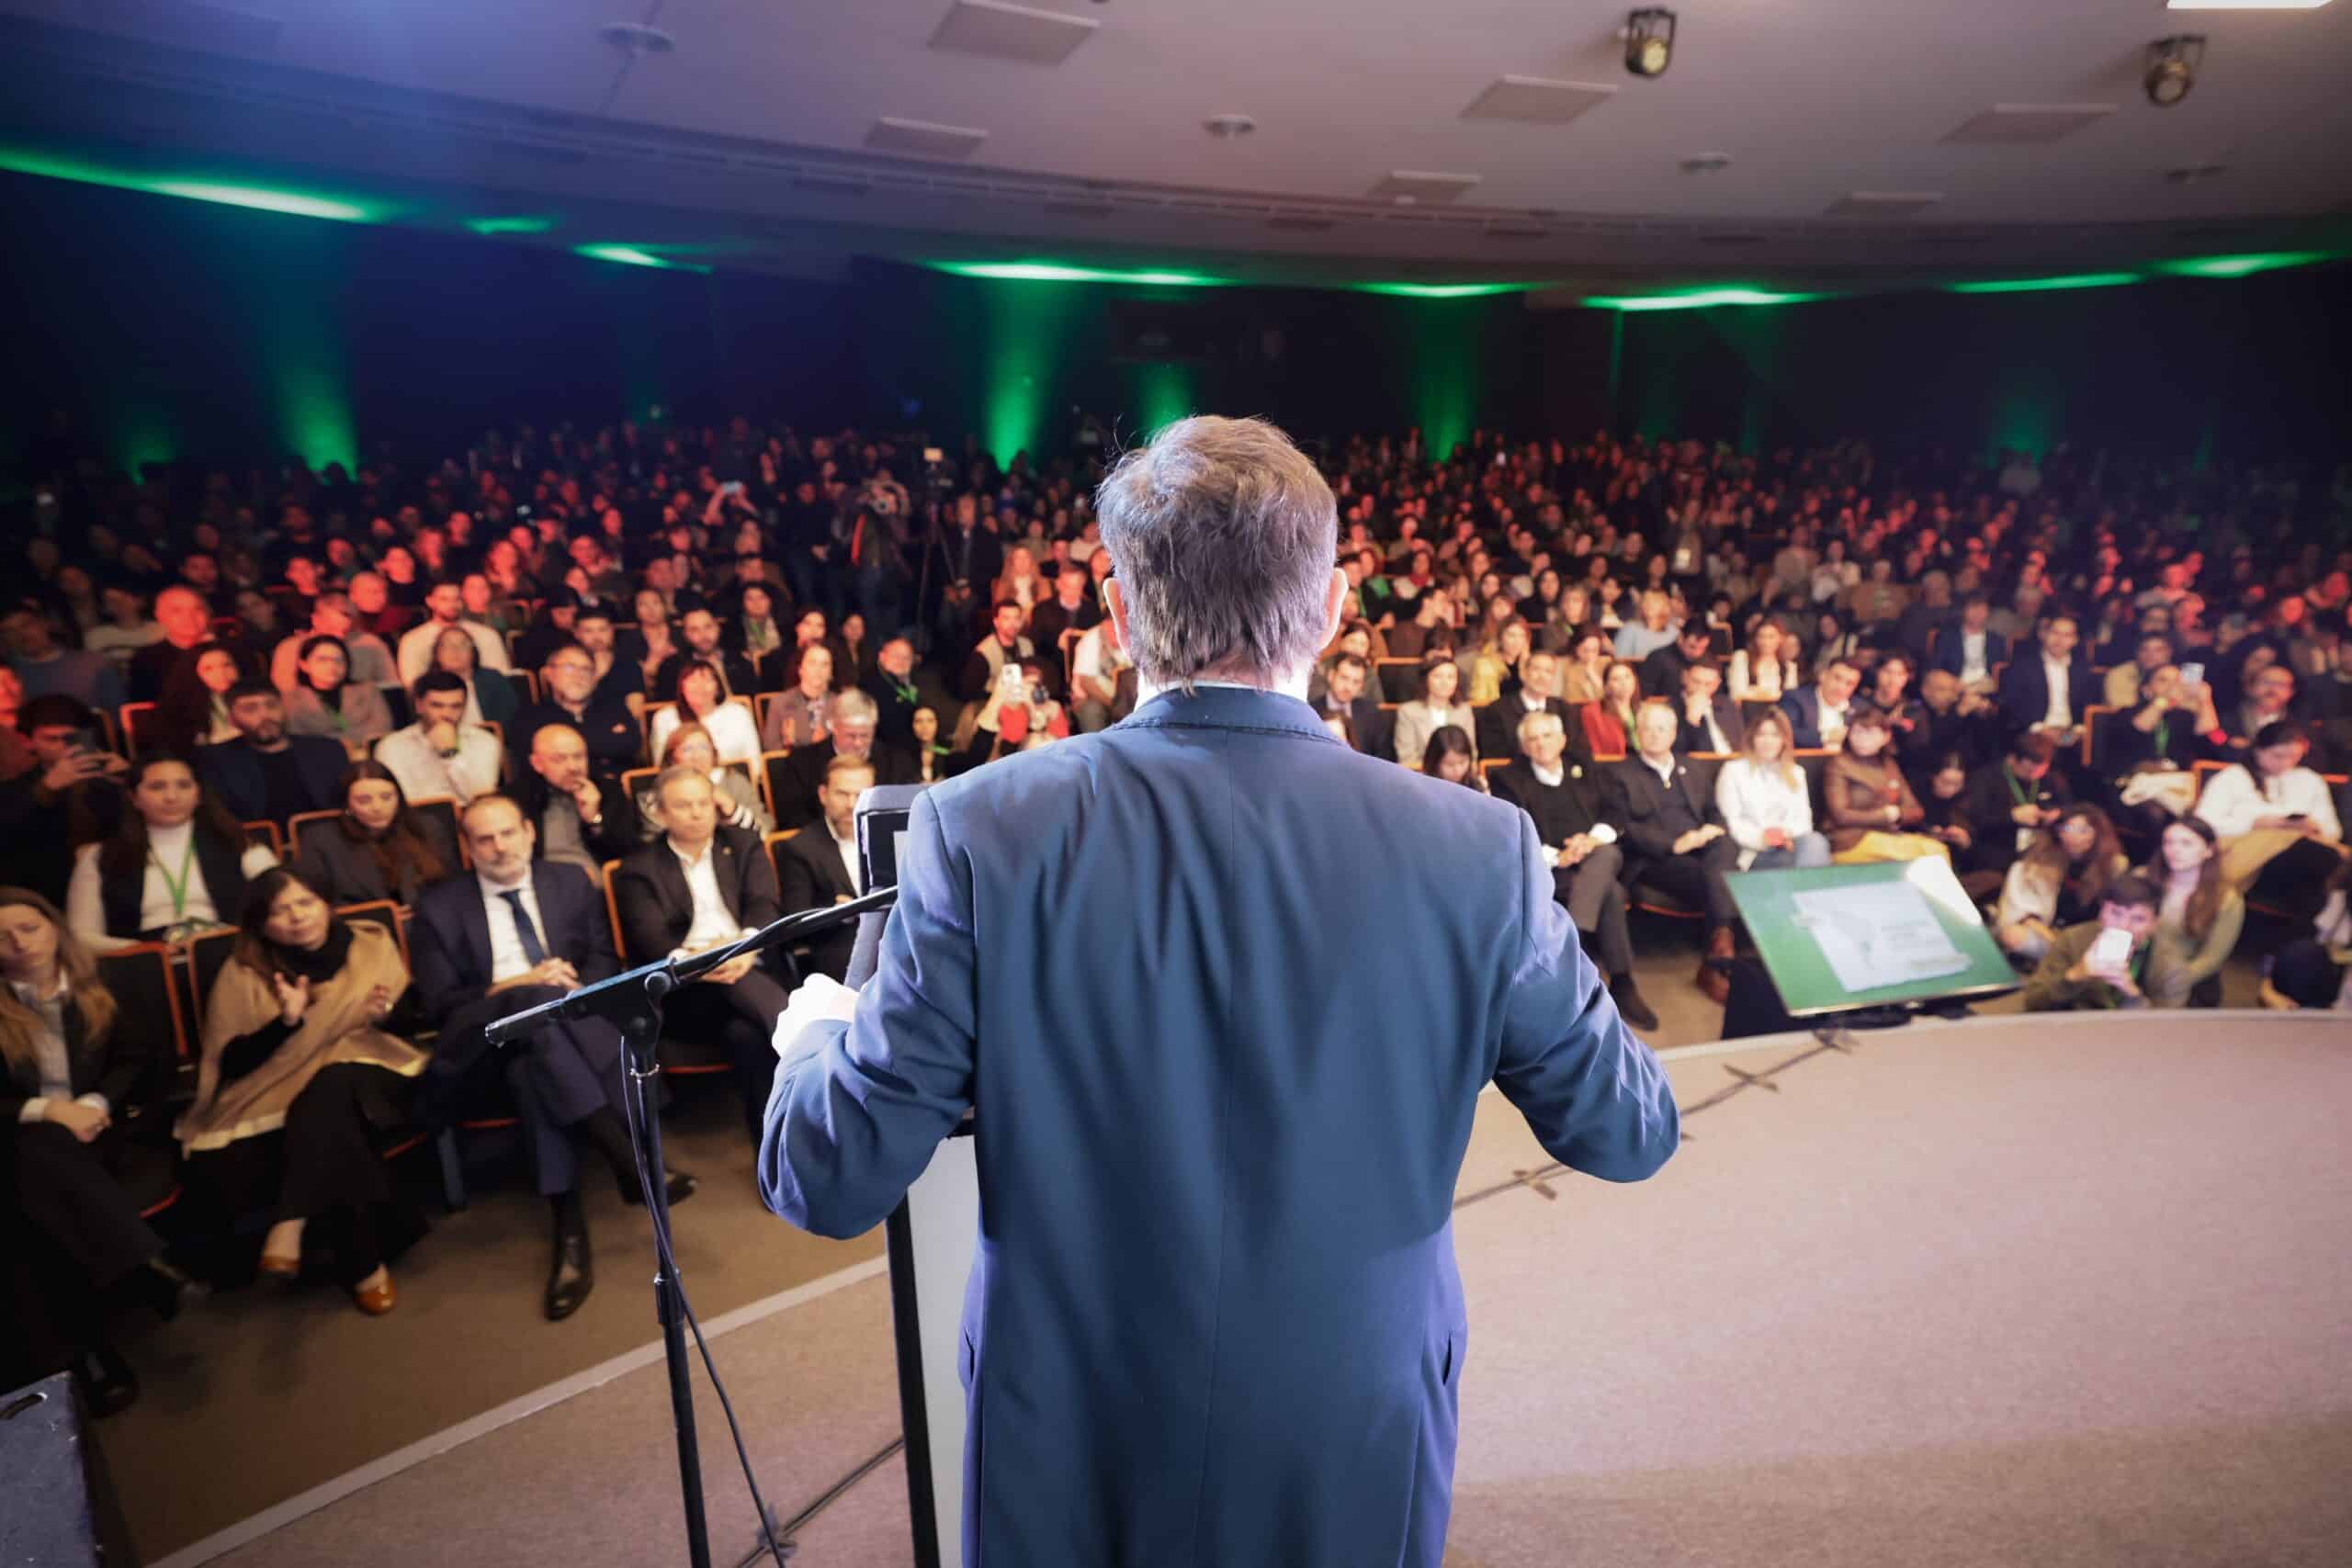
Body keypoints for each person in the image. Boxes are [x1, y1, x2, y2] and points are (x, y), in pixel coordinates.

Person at [759, 415, 1675, 1566]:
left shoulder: (980, 827)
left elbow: (830, 1175)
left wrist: (816, 1035)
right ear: (1336, 607)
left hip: (1075, 1421)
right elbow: (1630, 1132)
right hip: (1351, 1410)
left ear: (1121, 612)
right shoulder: (1476, 850)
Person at [410, 795, 695, 1322]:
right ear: (467, 848)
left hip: (563, 1031)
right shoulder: (438, 906)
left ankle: (571, 1230)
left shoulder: (567, 881)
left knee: (534, 1070)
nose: (499, 847)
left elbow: (604, 960)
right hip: (487, 1040)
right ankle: (630, 1155)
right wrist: (522, 984)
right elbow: (442, 1002)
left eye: (507, 834)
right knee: (531, 1010)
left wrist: (573, 987)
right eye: (484, 839)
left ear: (529, 832)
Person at [179, 870, 424, 1313]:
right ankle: (365, 1263)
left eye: (305, 903)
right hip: (293, 1085)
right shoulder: (244, 972)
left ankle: (290, 1220)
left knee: (334, 1084)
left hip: (375, 1064)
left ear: (325, 903)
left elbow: (412, 1022)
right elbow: (231, 1063)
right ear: (261, 924)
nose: (297, 917)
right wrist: (287, 1022)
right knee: (331, 1106)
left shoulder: (370, 944)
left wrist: (383, 1013)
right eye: (280, 911)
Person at [1, 888, 193, 1416]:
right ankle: (141, 1266)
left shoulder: (110, 982)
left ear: (55, 928)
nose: (18, 944)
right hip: (19, 1144)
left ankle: (82, 1356)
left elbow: (136, 1061)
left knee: (32, 1207)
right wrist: (46, 1111)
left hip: (100, 1136)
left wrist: (94, 1102)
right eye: (2, 937)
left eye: (29, 928)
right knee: (32, 1170)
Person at [614, 768, 788, 1145]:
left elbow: (764, 902)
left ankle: (771, 1152)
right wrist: (703, 962)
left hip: (748, 967)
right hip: (689, 990)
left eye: (703, 803)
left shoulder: (742, 843)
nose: (696, 813)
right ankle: (798, 1043)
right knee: (755, 1008)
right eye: (683, 805)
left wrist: (745, 946)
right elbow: (652, 939)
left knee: (746, 1037)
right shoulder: (638, 869)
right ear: (659, 813)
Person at [1490, 710, 1656, 1029]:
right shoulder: (1507, 779)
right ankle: (1622, 982)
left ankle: (1575, 944)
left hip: (1597, 855)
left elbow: (1615, 812)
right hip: (1552, 868)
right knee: (1611, 893)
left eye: (1547, 736)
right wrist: (1558, 856)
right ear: (1524, 747)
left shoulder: (1587, 767)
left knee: (1606, 854)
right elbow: (1512, 829)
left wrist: (1589, 841)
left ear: (1562, 739)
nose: (1541, 744)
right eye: (1532, 739)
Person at [67, 754, 277, 949]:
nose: (171, 796)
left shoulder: (238, 843)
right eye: (157, 787)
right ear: (134, 797)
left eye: (184, 785)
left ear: (198, 794)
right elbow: (82, 936)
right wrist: (146, 951)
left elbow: (283, 901)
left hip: (229, 952)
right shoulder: (99, 857)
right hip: (144, 962)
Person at [1611, 701, 1740, 1001]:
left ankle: (1719, 949)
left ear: (1673, 733)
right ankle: (1720, 954)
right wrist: (1673, 844)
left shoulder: (1693, 767)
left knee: (1726, 844)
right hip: (1657, 859)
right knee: (1716, 877)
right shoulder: (1619, 773)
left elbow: (1715, 813)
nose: (1654, 735)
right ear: (1637, 733)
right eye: (1647, 728)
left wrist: (1710, 830)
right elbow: (1623, 826)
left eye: (1662, 728)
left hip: (1703, 848)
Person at [2192, 720, 2346, 926]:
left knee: (2322, 868)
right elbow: (2204, 823)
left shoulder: (2310, 780)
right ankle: (2304, 938)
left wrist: (2310, 826)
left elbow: (2332, 830)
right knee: (2321, 861)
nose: (2286, 763)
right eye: (2278, 756)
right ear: (2258, 750)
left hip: (2303, 851)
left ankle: (2304, 938)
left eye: (2294, 757)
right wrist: (2255, 823)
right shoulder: (2233, 778)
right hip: (2250, 855)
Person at [290, 762, 456, 907]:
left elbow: (450, 885)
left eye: (386, 797)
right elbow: (320, 902)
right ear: (347, 805)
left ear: (399, 798)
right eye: (364, 800)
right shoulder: (320, 839)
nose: (377, 807)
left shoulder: (427, 827)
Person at [773, 754, 876, 985]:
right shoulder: (800, 848)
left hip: (891, 937)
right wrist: (834, 913)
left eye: (860, 795)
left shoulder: (886, 835)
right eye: (842, 794)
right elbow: (794, 922)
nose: (851, 804)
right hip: (839, 946)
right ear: (823, 795)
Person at [195, 680, 347, 825]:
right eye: (250, 709)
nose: (265, 715)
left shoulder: (327, 750)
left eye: (272, 705)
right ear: (231, 719)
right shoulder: (217, 759)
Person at [1993, 805, 2128, 963]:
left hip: (2087, 940)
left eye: (2083, 830)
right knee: (2013, 935)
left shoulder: (2114, 867)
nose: (2073, 836)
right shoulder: (2039, 862)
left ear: (2097, 835)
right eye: (2068, 828)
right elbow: (2026, 916)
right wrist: (2055, 941)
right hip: (2049, 935)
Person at [2020, 873, 2164, 1012]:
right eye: (2116, 913)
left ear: (2154, 924)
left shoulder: (2169, 965)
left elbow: (2168, 1030)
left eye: (2138, 919)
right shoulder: (2072, 940)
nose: (2124, 926)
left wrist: (2131, 994)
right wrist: (2075, 975)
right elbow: (2032, 1001)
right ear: (2101, 912)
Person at [2142, 815, 2243, 1008]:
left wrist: (2173, 980)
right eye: (2168, 842)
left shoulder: (2226, 900)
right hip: (2138, 968)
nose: (2174, 850)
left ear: (2209, 850)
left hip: (2185, 982)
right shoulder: (2145, 878)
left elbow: (2212, 959)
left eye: (2186, 843)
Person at [515, 722, 637, 883]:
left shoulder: (608, 790)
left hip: (600, 888)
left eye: (578, 757)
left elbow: (630, 851)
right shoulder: (517, 799)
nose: (573, 767)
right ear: (537, 764)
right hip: (544, 888)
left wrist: (594, 819)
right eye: (559, 759)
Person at [1822, 704, 1941, 863]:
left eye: (1870, 733)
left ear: (1886, 737)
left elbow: (1916, 810)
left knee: (1937, 850)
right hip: (1849, 840)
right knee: (1925, 855)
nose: (1862, 739)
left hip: (1886, 836)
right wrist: (1885, 816)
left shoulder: (1889, 764)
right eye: (1857, 732)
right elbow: (1841, 816)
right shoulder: (1839, 764)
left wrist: (1897, 814)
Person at [1714, 707, 1830, 871]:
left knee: (1816, 841)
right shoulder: (1733, 771)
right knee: (1800, 860)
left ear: (1784, 739)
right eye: (1761, 734)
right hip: (1754, 851)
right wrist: (1763, 839)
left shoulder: (1796, 773)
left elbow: (1804, 821)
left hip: (1790, 844)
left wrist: (1785, 834)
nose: (1768, 741)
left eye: (1775, 735)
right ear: (1752, 738)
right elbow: (1729, 822)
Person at [509, 643, 640, 779]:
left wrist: (561, 754)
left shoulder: (614, 708)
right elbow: (528, 764)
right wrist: (604, 745)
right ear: (549, 674)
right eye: (569, 668)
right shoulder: (530, 716)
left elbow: (632, 744)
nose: (578, 676)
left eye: (586, 669)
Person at [374, 671, 503, 806]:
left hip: (473, 818)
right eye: (437, 705)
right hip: (415, 821)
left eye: (456, 706)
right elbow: (400, 801)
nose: (447, 714)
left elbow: (483, 798)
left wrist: (450, 755)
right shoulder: (391, 746)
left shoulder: (484, 741)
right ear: (419, 706)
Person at [1962, 731, 2075, 884]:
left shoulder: (2052, 778)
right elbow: (1975, 819)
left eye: (2040, 770)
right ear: (2012, 760)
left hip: (2040, 851)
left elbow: (2069, 808)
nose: (2034, 775)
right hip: (1996, 851)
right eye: (2028, 770)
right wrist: (2011, 816)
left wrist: (2057, 814)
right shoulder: (1986, 778)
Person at [634, 721, 772, 839]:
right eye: (687, 749)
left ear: (713, 753)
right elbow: (654, 842)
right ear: (672, 758)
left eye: (703, 748)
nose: (697, 756)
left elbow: (763, 830)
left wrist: (732, 809)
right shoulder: (657, 792)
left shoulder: (734, 782)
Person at [281, 636, 393, 759]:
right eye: (323, 660)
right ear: (304, 664)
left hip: (369, 755)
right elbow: (298, 738)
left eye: (339, 660)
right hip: (320, 759)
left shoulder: (367, 690)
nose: (332, 666)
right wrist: (348, 739)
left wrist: (331, 738)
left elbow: (383, 726)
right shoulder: (291, 699)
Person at [1997, 611, 2095, 751]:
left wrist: (2077, 731)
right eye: (2055, 633)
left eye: (2066, 635)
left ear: (2075, 641)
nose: (2059, 640)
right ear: (2044, 635)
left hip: (2069, 734)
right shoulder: (2022, 666)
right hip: (2034, 732)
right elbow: (2012, 704)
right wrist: (2040, 729)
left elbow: (2089, 704)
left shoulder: (2083, 670)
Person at [267, 592, 396, 696]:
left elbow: (390, 684)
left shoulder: (371, 643)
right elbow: (285, 693)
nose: (339, 636)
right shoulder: (290, 648)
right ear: (315, 620)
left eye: (345, 630)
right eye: (332, 628)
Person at [4, 606, 124, 711]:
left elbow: (117, 716)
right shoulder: (5, 678)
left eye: (26, 625)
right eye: (9, 631)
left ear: (44, 623)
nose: (21, 634)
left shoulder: (94, 664)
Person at [394, 580, 511, 686]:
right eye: (444, 599)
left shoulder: (487, 635)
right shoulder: (413, 639)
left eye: (457, 599)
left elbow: (501, 676)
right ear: (430, 601)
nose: (452, 604)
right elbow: (412, 684)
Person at [650, 658, 760, 767]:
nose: (700, 686)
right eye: (692, 680)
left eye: (707, 680)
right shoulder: (665, 718)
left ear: (718, 688)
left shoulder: (738, 713)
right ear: (681, 687)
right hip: (683, 781)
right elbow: (662, 765)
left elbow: (754, 762)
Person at [1475, 649, 1575, 764]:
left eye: (1548, 671)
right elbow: (1495, 761)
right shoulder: (1497, 711)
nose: (1542, 676)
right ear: (1524, 674)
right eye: (1536, 669)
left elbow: (1575, 752)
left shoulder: (1564, 709)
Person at [155, 643, 245, 754]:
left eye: (227, 665)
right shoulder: (179, 708)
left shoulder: (253, 696)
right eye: (209, 669)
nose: (221, 673)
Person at [430, 623, 523, 731]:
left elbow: (512, 720)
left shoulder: (493, 679)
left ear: (473, 652)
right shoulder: (427, 685)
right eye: (447, 645)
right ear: (437, 653)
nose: (455, 650)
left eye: (463, 645)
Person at [1394, 655, 1476, 771]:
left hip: (1459, 778)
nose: (1445, 682)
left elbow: (1472, 754)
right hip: (1422, 777)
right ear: (1426, 679)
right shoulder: (1408, 712)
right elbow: (1407, 759)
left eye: (1451, 677)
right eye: (1438, 676)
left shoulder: (1464, 711)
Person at [761, 641, 838, 750]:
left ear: (831, 673)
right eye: (812, 663)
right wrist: (791, 746)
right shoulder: (780, 703)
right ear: (801, 669)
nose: (818, 669)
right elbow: (771, 749)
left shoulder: (841, 705)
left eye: (825, 664)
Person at [1780, 658, 1861, 750]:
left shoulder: (1860, 708)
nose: (1841, 687)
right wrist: (1826, 737)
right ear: (1823, 676)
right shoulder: (1795, 699)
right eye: (1837, 678)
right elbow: (1785, 733)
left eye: (1849, 684)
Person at [1675, 660, 1746, 755]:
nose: (1701, 689)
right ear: (1684, 677)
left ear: (1717, 684)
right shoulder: (1671, 708)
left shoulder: (1726, 704)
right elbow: (1677, 751)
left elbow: (1742, 741)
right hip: (1698, 765)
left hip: (1733, 761)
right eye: (1696, 682)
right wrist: (1691, 721)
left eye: (1708, 684)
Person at [1580, 660, 1643, 757]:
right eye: (1616, 679)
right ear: (1606, 686)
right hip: (1612, 766)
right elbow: (1596, 752)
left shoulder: (1645, 710)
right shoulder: (1592, 712)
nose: (1624, 683)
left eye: (1627, 677)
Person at [1726, 618, 1793, 705]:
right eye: (1761, 637)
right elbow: (1737, 693)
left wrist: (1755, 691)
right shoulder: (1742, 658)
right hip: (1747, 712)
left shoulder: (1788, 666)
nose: (1766, 642)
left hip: (1776, 714)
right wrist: (1774, 694)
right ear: (1755, 638)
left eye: (1771, 637)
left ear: (1780, 638)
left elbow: (1790, 698)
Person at [1419, 724, 1487, 791]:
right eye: (1450, 764)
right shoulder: (1421, 787)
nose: (1458, 770)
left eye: (1462, 762)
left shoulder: (1478, 784)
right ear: (1434, 762)